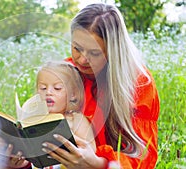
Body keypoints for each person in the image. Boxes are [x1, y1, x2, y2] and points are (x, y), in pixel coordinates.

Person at [39, 3, 160, 169]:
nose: (81, 60)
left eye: (94, 53)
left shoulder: (138, 83)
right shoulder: (66, 73)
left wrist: (98, 164)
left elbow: (144, 157)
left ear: (114, 50)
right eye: (77, 48)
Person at [0, 61, 96, 169]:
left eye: (57, 88)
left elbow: (90, 152)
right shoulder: (35, 119)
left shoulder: (75, 119)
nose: (48, 92)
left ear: (73, 94)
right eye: (43, 88)